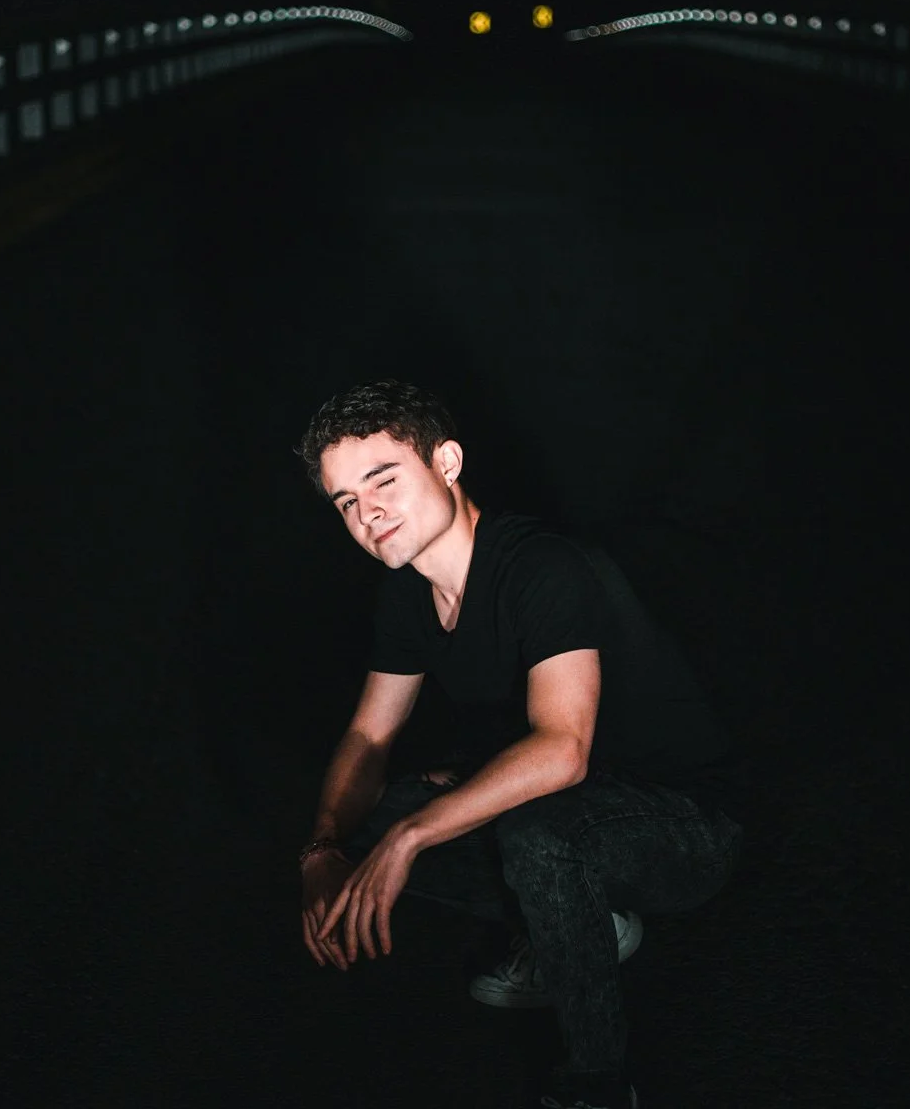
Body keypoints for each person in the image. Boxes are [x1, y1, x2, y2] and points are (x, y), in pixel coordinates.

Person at [295, 378, 748, 1109]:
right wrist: (322, 849)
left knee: (527, 835)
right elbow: (368, 736)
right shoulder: (408, 591)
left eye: (383, 479)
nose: (367, 511)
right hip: (574, 800)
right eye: (346, 500)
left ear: (446, 462)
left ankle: (600, 1085)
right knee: (372, 813)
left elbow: (563, 749)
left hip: (684, 824)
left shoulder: (542, 566)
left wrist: (413, 837)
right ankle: (581, 925)